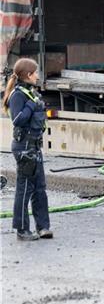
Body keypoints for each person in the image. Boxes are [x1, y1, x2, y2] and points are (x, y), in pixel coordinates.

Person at [2, 58, 52, 241]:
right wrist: (32, 105)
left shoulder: (31, 92)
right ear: (28, 75)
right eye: (35, 73)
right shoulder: (18, 95)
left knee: (40, 187)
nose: (38, 76)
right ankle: (22, 230)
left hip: (34, 146)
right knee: (25, 188)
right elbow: (18, 120)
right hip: (23, 148)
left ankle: (43, 227)